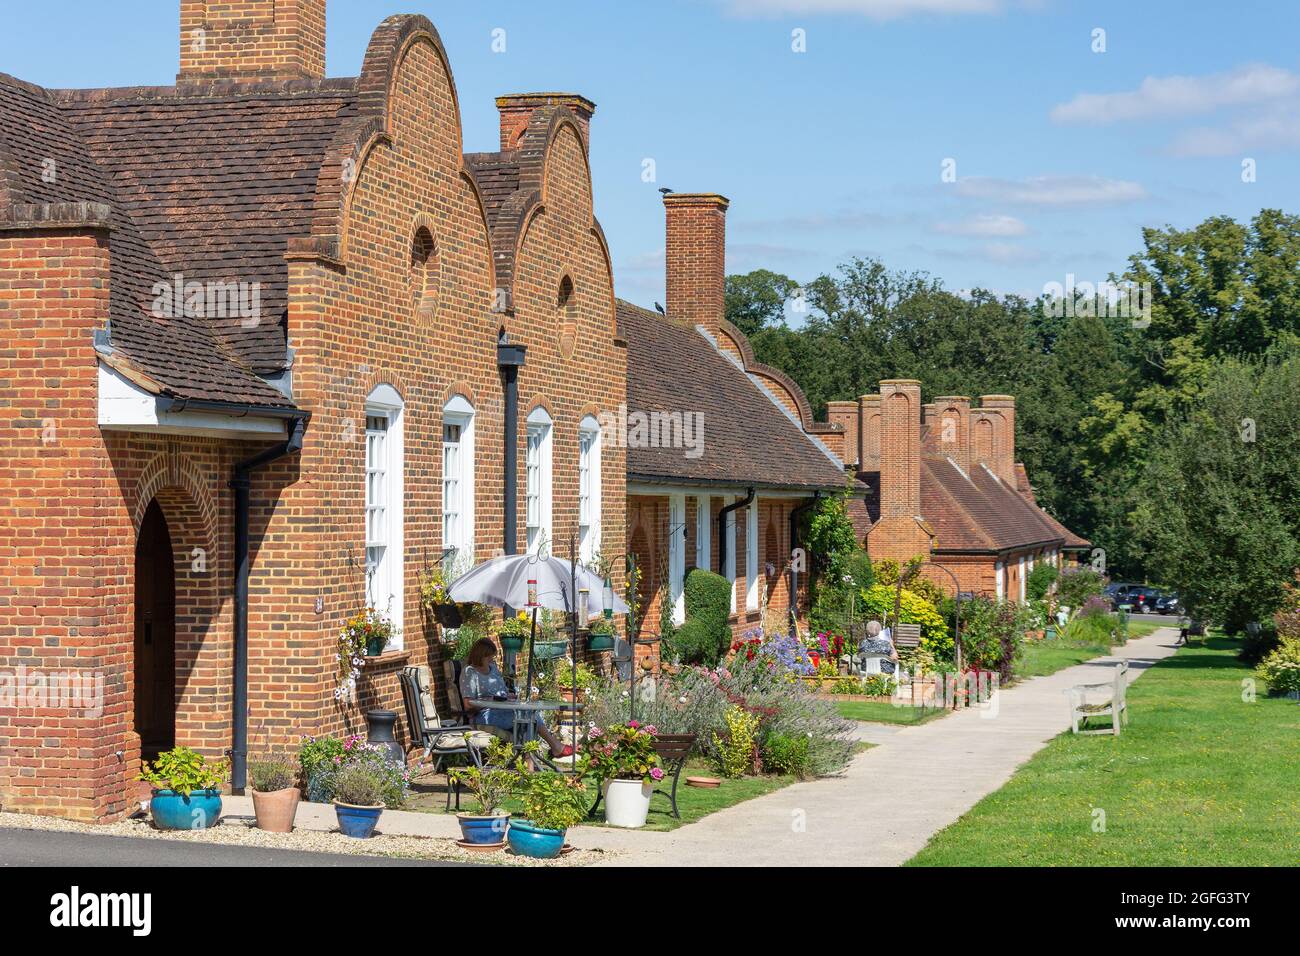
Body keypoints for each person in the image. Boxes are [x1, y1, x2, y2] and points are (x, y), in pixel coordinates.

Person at [459, 638, 574, 757]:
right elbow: (468, 704)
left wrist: (508, 696)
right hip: (485, 715)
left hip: (504, 709)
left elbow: (500, 691)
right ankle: (548, 750)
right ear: (480, 656)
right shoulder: (469, 673)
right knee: (528, 717)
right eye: (489, 657)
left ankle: (532, 759)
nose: (491, 660)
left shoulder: (493, 668)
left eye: (492, 657)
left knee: (529, 713)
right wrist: (490, 699)